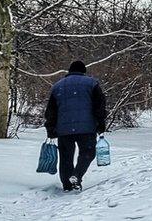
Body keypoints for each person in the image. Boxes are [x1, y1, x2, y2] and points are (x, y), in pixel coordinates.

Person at [43, 61, 107, 192]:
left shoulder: (57, 86)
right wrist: (101, 123)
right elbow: (99, 106)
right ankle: (77, 175)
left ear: (69, 70)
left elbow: (51, 111)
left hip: (64, 129)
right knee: (88, 152)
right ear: (84, 71)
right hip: (87, 128)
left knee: (66, 157)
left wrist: (50, 128)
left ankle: (67, 186)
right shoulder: (92, 83)